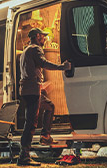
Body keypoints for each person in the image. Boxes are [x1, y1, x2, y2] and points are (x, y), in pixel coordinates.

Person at [17, 28, 71, 166]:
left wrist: (40, 84)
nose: (44, 39)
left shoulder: (25, 51)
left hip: (29, 89)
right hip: (32, 90)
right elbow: (44, 64)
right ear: (36, 36)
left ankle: (45, 136)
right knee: (31, 123)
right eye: (42, 36)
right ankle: (24, 157)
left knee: (50, 106)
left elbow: (30, 71)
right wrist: (62, 67)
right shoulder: (35, 49)